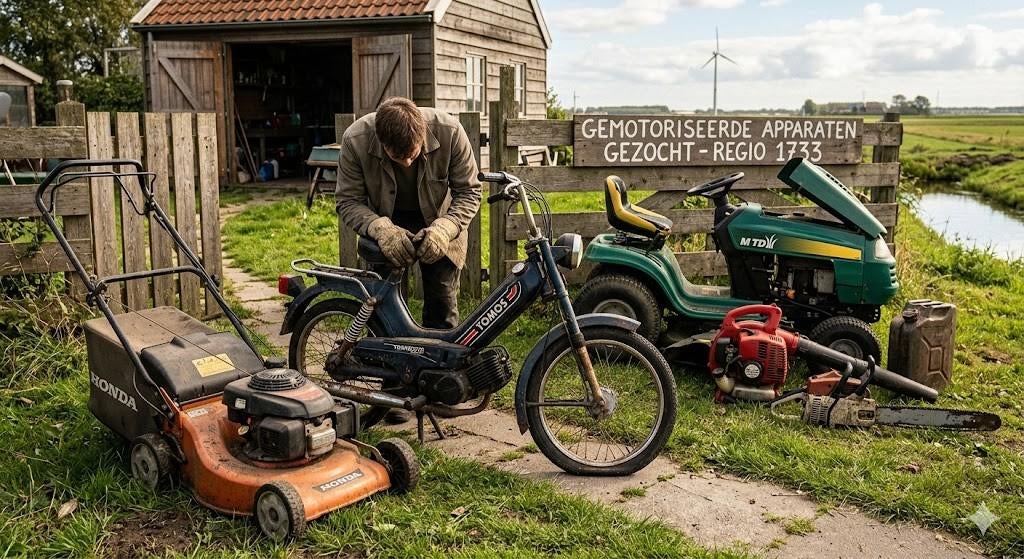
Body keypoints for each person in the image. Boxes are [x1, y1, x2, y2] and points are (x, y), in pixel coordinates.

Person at [336, 97, 481, 329]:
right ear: (381, 141)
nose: (406, 163)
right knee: (384, 311)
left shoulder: (450, 132)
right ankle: (385, 350)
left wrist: (445, 229)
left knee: (442, 305)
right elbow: (348, 200)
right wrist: (380, 230)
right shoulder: (356, 140)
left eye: (412, 155)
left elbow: (469, 192)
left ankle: (437, 350)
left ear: (422, 135)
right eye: (397, 158)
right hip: (385, 219)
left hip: (440, 219)